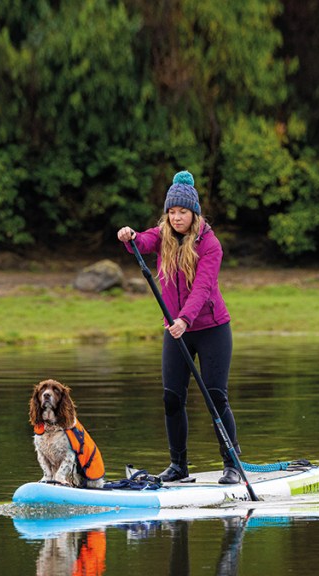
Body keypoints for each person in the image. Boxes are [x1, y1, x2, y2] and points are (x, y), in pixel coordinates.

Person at [117, 170, 241, 485]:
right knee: (172, 398)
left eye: (182, 212)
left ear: (194, 213)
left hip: (211, 329)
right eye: (171, 212)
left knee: (216, 396)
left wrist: (184, 319)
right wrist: (130, 236)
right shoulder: (163, 236)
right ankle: (178, 466)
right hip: (175, 331)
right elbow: (143, 242)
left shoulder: (210, 245)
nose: (176, 217)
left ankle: (232, 464)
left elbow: (202, 288)